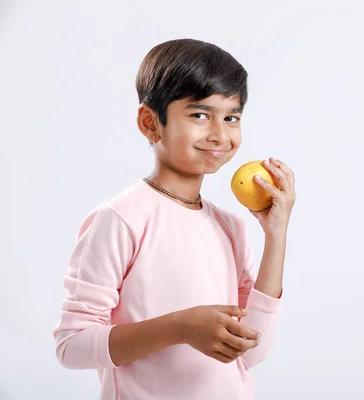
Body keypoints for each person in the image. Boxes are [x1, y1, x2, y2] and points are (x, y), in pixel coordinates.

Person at [52, 38, 295, 400]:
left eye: (231, 117)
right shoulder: (119, 219)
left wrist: (276, 234)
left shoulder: (231, 227)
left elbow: (252, 352)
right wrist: (181, 327)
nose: (219, 134)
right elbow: (71, 346)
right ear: (151, 123)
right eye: (199, 115)